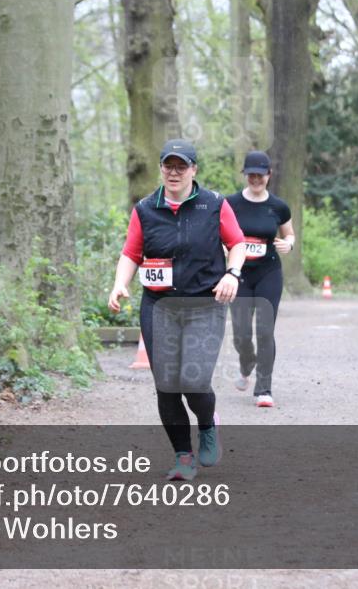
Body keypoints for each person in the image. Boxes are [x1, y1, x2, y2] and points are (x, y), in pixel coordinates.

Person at [108, 139, 246, 481]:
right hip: (160, 306)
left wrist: (232, 273)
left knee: (194, 380)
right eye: (168, 165)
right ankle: (183, 456)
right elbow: (131, 253)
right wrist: (119, 283)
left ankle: (207, 423)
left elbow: (237, 243)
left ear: (193, 170)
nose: (174, 172)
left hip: (204, 304)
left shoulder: (214, 204)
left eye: (181, 166)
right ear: (160, 169)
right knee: (167, 384)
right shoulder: (145, 208)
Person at [226, 151, 294, 408]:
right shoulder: (230, 204)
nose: (255, 179)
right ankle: (247, 362)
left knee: (265, 331)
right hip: (239, 274)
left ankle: (263, 389)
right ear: (245, 175)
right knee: (241, 334)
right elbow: (220, 234)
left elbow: (290, 235)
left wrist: (289, 244)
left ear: (269, 175)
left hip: (269, 273)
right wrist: (224, 248)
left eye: (260, 174)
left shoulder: (278, 206)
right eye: (251, 174)